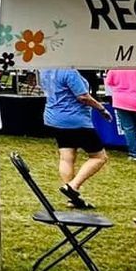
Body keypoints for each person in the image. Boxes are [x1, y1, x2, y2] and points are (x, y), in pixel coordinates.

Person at [38, 65, 110, 208]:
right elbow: (83, 96)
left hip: (55, 118)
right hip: (75, 120)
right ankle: (72, 186)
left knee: (66, 157)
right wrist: (101, 108)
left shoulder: (45, 69)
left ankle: (72, 198)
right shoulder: (69, 71)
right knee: (99, 157)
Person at [103, 68, 136, 162]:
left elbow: (108, 82)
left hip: (120, 101)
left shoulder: (114, 68)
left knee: (128, 129)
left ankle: (134, 154)